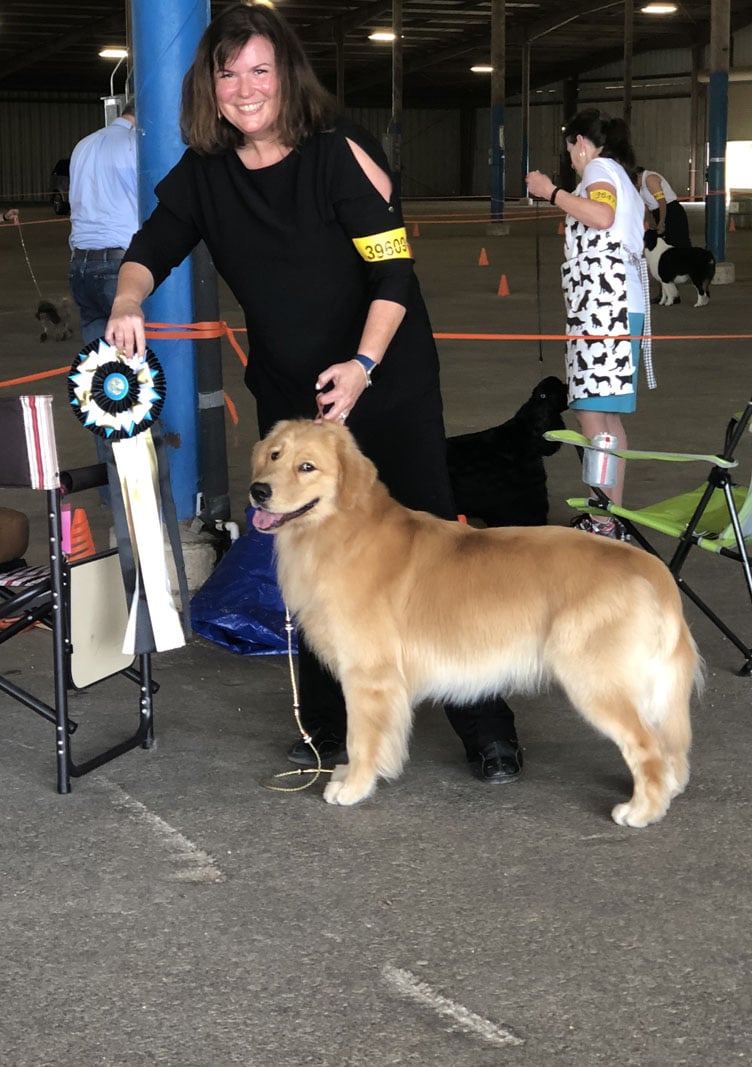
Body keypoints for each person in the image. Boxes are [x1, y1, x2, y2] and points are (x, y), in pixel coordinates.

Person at [105, 1, 522, 784]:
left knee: (433, 546)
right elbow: (149, 248)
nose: (244, 87)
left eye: (259, 69)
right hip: (294, 400)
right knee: (311, 560)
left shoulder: (340, 154)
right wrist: (129, 300)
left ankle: (485, 722)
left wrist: (362, 366)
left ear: (286, 75)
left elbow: (394, 271)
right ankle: (331, 727)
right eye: (227, 73)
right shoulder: (205, 174)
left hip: (383, 377)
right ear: (209, 87)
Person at [526, 108, 654, 538]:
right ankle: (608, 513)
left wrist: (550, 192)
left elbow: (601, 217)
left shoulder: (599, 168)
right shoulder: (619, 174)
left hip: (606, 308)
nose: (570, 156)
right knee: (605, 417)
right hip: (611, 306)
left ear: (580, 142)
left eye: (570, 148)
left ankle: (603, 520)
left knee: (592, 417)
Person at [68, 99, 138, 344]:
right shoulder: (136, 145)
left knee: (98, 363)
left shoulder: (83, 145)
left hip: (80, 264)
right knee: (136, 361)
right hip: (121, 266)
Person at [635, 166, 691, 248]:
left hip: (671, 212)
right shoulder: (642, 186)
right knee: (668, 245)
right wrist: (645, 222)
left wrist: (662, 221)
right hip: (660, 213)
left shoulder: (650, 179)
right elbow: (646, 207)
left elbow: (662, 202)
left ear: (637, 175)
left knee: (679, 243)